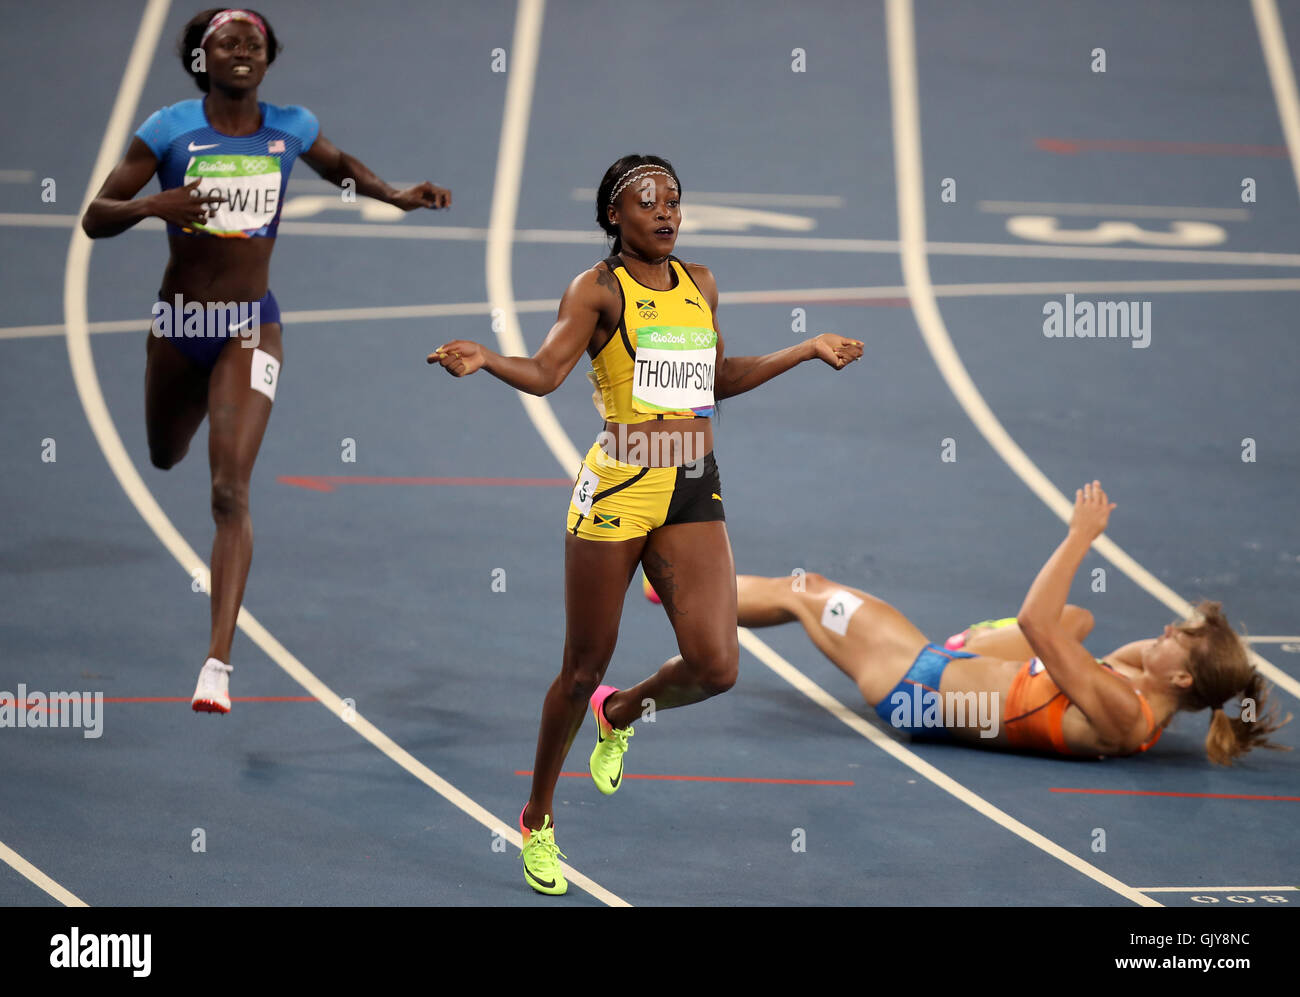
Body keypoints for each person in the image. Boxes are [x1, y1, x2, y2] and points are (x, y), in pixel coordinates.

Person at [428, 154, 863, 894]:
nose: (665, 212)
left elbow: (717, 379)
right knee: (580, 668)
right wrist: (488, 360)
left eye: (673, 201)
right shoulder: (597, 290)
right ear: (613, 217)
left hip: (693, 482)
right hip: (621, 486)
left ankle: (623, 712)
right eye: (646, 201)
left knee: (718, 667)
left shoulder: (701, 282)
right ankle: (537, 816)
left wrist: (805, 349)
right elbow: (546, 373)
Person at [81, 8, 451, 713]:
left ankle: (217, 663)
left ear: (268, 58)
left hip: (252, 328)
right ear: (202, 59)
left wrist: (395, 194)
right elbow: (96, 215)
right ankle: (186, 420)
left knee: (229, 491)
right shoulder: (166, 130)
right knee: (163, 455)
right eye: (229, 42)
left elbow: (341, 168)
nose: (244, 50)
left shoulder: (291, 126)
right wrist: (158, 203)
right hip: (180, 324)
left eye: (255, 42)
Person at [734, 481, 1290, 762]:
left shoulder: (1126, 713)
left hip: (912, 681)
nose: (1167, 631)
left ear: (1184, 680)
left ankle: (684, 592)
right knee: (1079, 618)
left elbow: (1036, 622)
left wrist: (1080, 536)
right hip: (947, 677)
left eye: (1180, 638)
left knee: (805, 590)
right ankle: (968, 642)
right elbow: (1069, 629)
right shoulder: (1142, 693)